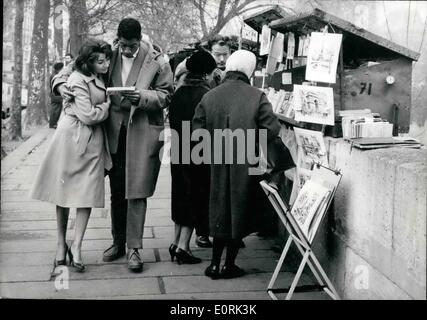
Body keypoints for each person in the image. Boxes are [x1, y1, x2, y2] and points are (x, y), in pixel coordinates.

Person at [52, 18, 173, 273]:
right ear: (118, 39)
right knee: (117, 189)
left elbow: (166, 94)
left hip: (141, 133)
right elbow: (71, 69)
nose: (127, 50)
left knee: (136, 192)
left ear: (140, 40)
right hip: (109, 134)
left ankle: (134, 248)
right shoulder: (108, 54)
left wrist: (143, 97)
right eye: (123, 45)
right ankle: (118, 242)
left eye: (132, 46)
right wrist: (62, 85)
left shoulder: (158, 60)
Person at [192, 50, 281, 279]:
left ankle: (214, 264)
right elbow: (271, 129)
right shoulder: (257, 96)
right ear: (249, 70)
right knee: (239, 211)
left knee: (219, 209)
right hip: (246, 162)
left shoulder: (209, 96)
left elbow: (196, 132)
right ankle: (229, 265)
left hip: (216, 162)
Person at [31, 39, 113, 273]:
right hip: (72, 139)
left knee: (86, 194)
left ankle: (76, 246)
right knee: (63, 193)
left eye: (106, 59)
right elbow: (88, 115)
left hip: (92, 142)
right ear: (88, 62)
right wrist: (106, 107)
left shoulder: (99, 76)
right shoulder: (76, 78)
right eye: (100, 60)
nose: (106, 63)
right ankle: (60, 244)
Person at [168, 50, 217, 264]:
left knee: (179, 195)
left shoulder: (178, 92)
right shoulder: (206, 95)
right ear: (206, 74)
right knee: (194, 197)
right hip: (198, 152)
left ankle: (175, 241)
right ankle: (183, 247)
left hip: (178, 150)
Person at [49, 62, 64, 128]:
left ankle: (53, 123)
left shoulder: (54, 75)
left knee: (56, 110)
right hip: (56, 96)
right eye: (61, 68)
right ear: (58, 69)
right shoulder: (55, 76)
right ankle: (53, 124)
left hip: (55, 95)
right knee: (56, 110)